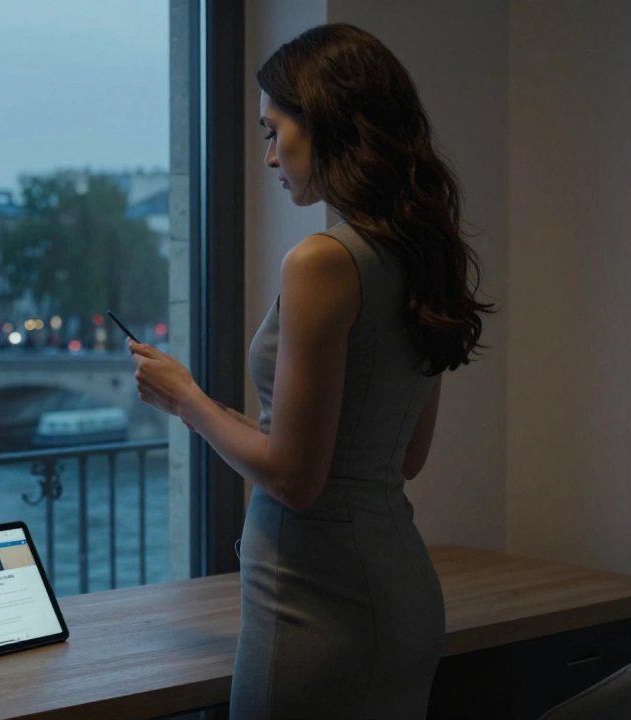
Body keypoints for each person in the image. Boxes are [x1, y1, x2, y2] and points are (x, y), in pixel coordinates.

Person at [129, 23, 494, 719]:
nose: (268, 156)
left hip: (315, 604)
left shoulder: (322, 262)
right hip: (404, 595)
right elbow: (403, 457)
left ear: (323, 121)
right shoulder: (420, 254)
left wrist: (187, 401)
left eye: (274, 131)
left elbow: (297, 479)